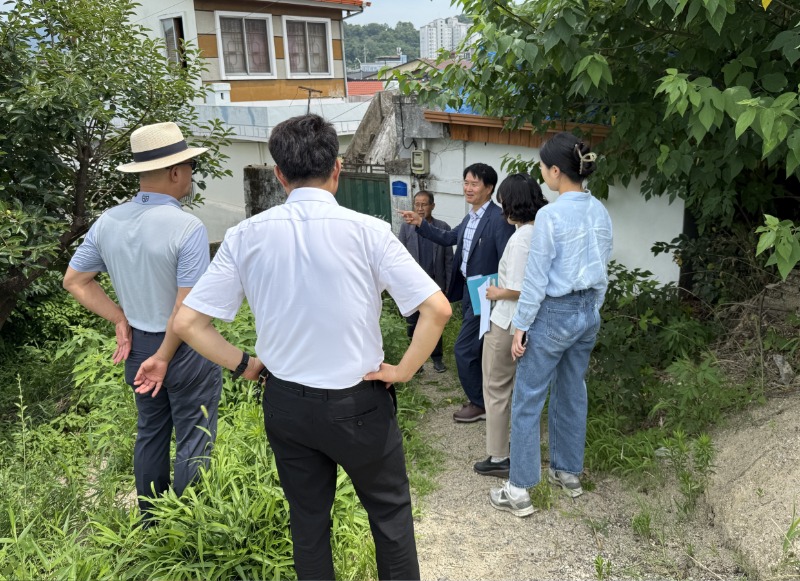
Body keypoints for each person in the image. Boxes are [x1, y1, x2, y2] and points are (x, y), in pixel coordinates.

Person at [172, 114, 451, 580]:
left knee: (308, 522)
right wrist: (403, 370)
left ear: (279, 175)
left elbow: (187, 322)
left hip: (287, 403)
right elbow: (437, 309)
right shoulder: (369, 231)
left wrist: (246, 365)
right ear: (337, 169)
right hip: (360, 403)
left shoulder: (246, 235)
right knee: (390, 518)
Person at [62, 122, 223, 520]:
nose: (191, 175)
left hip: (138, 345)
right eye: (189, 167)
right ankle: (189, 529)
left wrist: (118, 316)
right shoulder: (187, 228)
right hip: (183, 349)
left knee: (150, 433)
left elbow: (75, 281)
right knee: (194, 437)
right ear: (175, 172)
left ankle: (152, 522)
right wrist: (165, 355)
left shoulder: (109, 221)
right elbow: (186, 311)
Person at [489, 132, 612, 517]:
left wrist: (522, 325)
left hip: (554, 312)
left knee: (528, 397)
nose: (542, 172)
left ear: (556, 171)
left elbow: (536, 278)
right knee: (572, 391)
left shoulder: (550, 215)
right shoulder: (600, 211)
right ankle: (567, 472)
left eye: (544, 167)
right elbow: (603, 269)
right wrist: (592, 309)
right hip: (587, 311)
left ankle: (519, 489)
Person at [399, 164, 515, 423]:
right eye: (465, 183)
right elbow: (449, 237)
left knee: (464, 349)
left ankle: (480, 404)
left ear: (489, 188)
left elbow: (507, 261)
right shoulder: (471, 216)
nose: (468, 188)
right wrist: (420, 223)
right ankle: (487, 399)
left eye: (474, 184)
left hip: (486, 294)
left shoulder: (498, 219)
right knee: (478, 348)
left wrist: (502, 293)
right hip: (468, 291)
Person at [473, 174, 548, 478]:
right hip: (532, 322)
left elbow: (519, 289)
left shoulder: (520, 240)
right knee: (524, 389)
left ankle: (499, 455)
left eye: (503, 200)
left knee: (496, 387)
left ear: (512, 203)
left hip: (507, 323)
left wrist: (495, 292)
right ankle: (525, 448)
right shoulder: (542, 231)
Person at [398, 190, 453, 373]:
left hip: (435, 286)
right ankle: (417, 363)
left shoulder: (442, 227)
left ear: (432, 206)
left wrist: (447, 287)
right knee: (413, 324)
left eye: (424, 204)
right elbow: (399, 257)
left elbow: (449, 260)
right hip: (413, 287)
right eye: (417, 204)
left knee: (435, 322)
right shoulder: (406, 228)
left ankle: (437, 358)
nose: (420, 208)